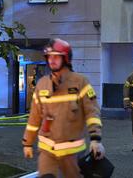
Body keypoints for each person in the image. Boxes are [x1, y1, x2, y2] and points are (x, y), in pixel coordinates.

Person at [22, 38, 105, 177]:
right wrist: (27, 142)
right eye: (49, 56)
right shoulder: (42, 84)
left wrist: (96, 140)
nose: (51, 60)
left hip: (72, 153)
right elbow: (34, 118)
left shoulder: (80, 82)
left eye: (56, 56)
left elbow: (92, 113)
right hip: (47, 151)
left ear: (66, 58)